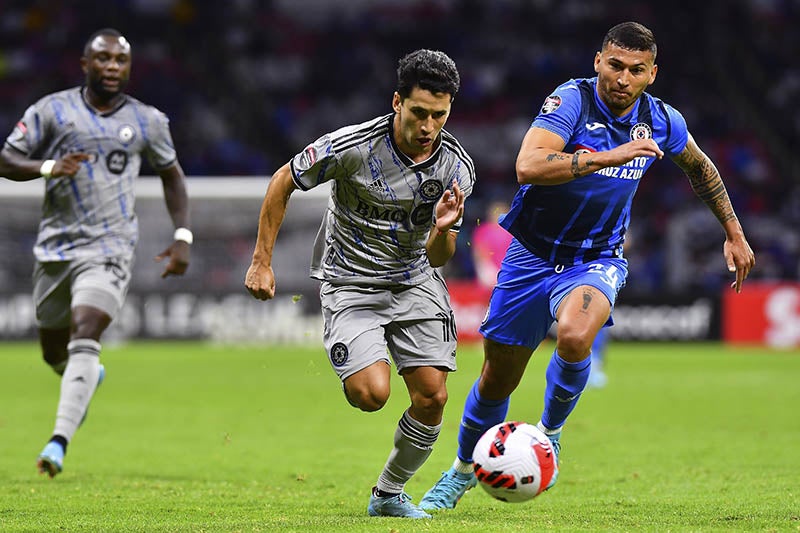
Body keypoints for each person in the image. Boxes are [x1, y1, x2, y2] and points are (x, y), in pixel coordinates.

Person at [419, 21, 755, 510]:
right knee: (498, 378)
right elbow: (528, 166)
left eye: (636, 70)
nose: (623, 78)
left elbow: (701, 168)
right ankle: (462, 468)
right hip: (531, 254)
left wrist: (735, 231)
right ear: (599, 62)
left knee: (576, 336)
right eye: (615, 65)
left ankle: (549, 434)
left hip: (596, 258)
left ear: (651, 74)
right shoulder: (571, 101)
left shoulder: (663, 121)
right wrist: (608, 156)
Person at [244, 49, 475, 519]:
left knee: (433, 397)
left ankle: (388, 494)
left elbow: (438, 257)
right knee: (370, 395)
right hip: (350, 283)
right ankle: (359, 351)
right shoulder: (351, 146)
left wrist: (445, 229)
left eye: (440, 115)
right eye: (419, 113)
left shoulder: (456, 168)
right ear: (397, 102)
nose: (428, 126)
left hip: (414, 279)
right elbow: (282, 181)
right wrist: (261, 262)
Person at [0, 28, 191, 478]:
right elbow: (6, 159)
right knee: (53, 352)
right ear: (85, 64)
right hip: (55, 249)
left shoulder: (148, 121)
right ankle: (85, 378)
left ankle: (57, 442)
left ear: (128, 67)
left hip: (110, 247)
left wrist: (183, 234)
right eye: (102, 59)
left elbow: (172, 175)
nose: (111, 67)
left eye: (120, 60)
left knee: (86, 329)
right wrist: (49, 166)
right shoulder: (52, 110)